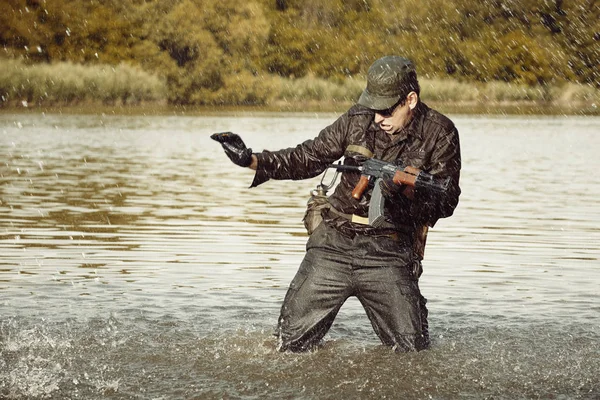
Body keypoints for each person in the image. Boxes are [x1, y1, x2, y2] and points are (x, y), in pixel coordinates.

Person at [211, 55, 461, 352]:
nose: (378, 118)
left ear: (410, 100)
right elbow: (308, 157)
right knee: (287, 347)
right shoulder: (357, 118)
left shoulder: (440, 133)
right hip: (333, 243)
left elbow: (445, 203)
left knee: (413, 353)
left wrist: (405, 192)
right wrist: (251, 160)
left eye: (385, 110)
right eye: (373, 106)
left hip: (389, 252)